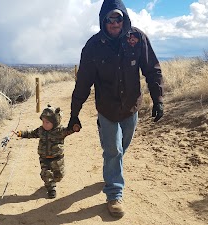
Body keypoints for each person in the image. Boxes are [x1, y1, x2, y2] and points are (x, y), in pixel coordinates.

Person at [68, 0, 164, 218]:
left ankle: (112, 170)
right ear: (103, 20)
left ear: (124, 18)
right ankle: (114, 194)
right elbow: (83, 82)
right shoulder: (93, 46)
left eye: (118, 18)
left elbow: (152, 69)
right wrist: (74, 113)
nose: (114, 23)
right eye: (110, 18)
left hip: (131, 106)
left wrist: (158, 99)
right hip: (107, 108)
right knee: (113, 150)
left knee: (121, 147)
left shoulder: (137, 39)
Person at [15, 105, 77, 199]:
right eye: (43, 121)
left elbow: (69, 130)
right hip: (44, 158)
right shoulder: (41, 130)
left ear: (55, 122)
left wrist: (74, 128)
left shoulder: (60, 131)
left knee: (59, 175)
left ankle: (53, 181)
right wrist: (21, 133)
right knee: (46, 173)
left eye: (47, 122)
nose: (44, 124)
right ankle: (51, 188)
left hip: (57, 158)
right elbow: (31, 133)